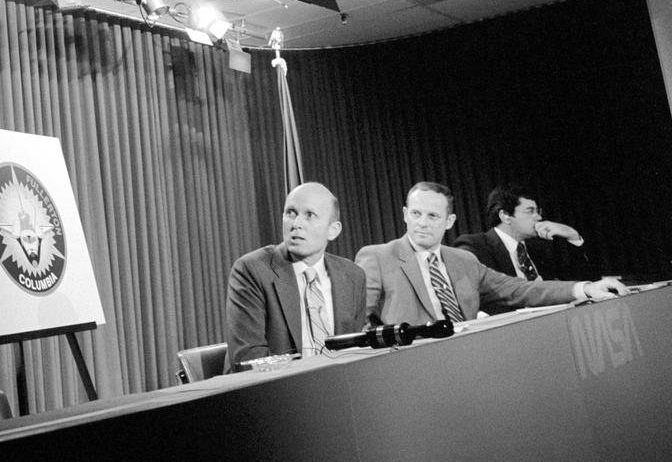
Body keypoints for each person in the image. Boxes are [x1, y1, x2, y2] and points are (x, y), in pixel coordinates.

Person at [356, 181, 625, 325]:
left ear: (449, 222)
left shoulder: (464, 260)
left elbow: (519, 290)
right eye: (415, 214)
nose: (422, 223)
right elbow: (356, 324)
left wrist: (585, 289)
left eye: (432, 215)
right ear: (405, 214)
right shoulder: (377, 257)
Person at [222, 182, 366, 371]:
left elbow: (356, 351)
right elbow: (249, 360)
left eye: (309, 215)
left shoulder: (352, 275)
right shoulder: (252, 270)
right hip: (276, 393)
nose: (296, 224)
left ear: (333, 230)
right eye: (291, 212)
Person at [453, 184, 593, 310]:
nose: (538, 217)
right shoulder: (475, 246)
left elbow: (582, 282)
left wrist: (573, 237)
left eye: (538, 211)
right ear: (505, 216)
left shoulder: (540, 247)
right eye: (530, 211)